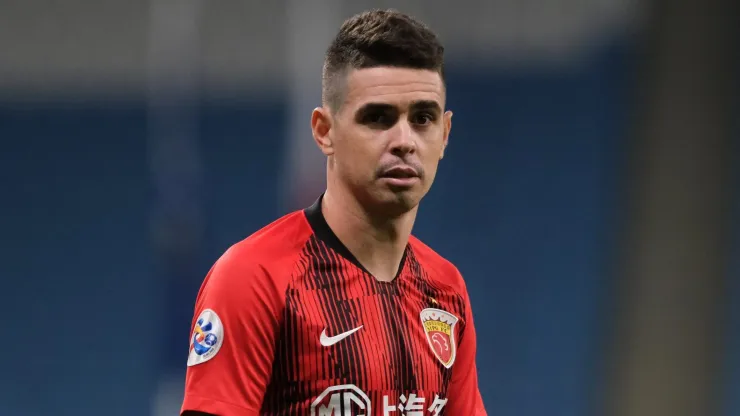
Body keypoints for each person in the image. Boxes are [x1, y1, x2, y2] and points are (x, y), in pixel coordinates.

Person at [181, 9, 486, 416]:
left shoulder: (446, 291)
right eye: (377, 118)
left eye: (423, 118)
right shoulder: (253, 277)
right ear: (325, 131)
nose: (404, 141)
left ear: (445, 134)